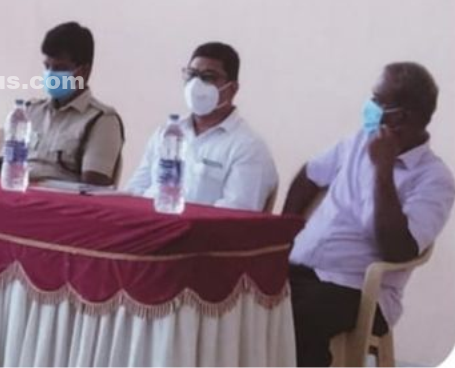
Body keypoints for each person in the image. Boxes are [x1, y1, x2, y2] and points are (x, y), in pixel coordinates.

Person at [282, 62, 454, 368]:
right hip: (301, 267)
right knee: (243, 297)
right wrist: (286, 230)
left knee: (295, 317)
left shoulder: (435, 180)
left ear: (400, 117)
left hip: (357, 289)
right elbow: (309, 175)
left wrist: (383, 171)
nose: (369, 106)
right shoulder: (359, 141)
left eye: (377, 100)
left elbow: (398, 249)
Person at [125, 42, 278, 210]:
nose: (196, 85)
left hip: (194, 227)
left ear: (232, 89)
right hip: (147, 222)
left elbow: (234, 215)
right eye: (191, 75)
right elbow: (134, 191)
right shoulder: (166, 132)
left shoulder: (248, 148)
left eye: (208, 77)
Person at [26, 22, 124, 186]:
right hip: (18, 195)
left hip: (57, 200)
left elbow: (93, 188)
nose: (50, 74)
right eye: (47, 66)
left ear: (84, 71)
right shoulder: (31, 111)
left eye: (59, 68)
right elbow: (7, 166)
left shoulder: (102, 120)